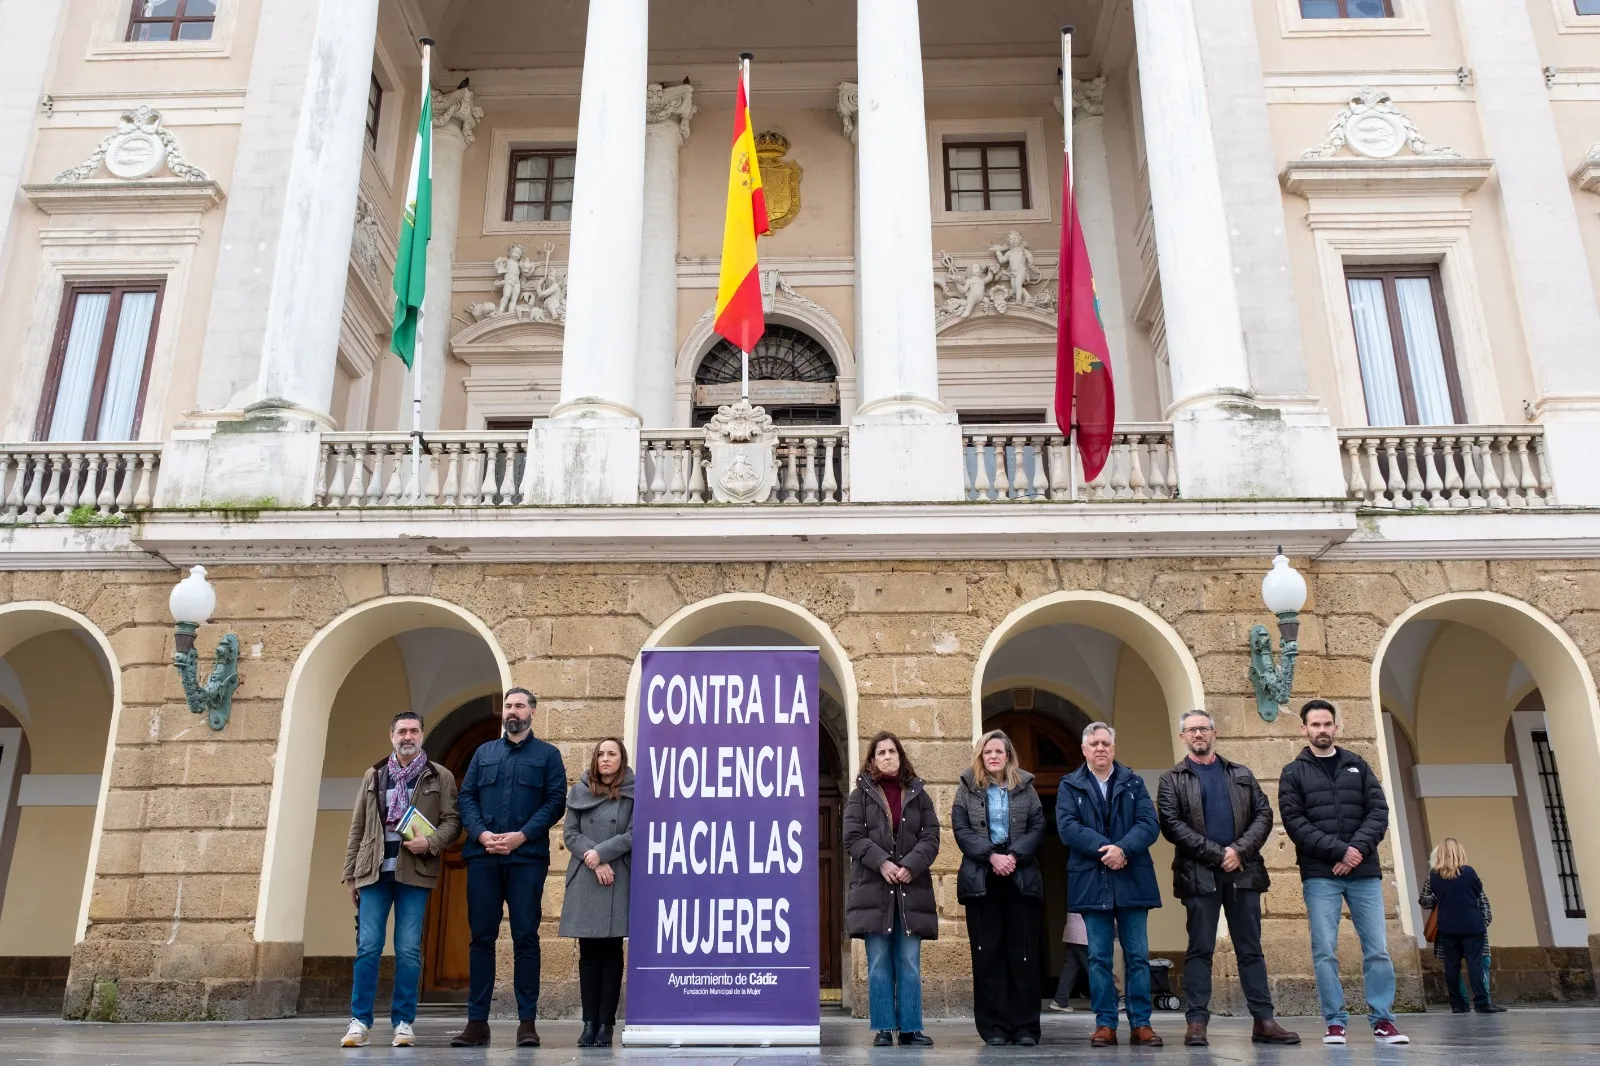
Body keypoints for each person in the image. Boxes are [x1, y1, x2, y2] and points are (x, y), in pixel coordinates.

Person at [1156, 710, 1300, 1047]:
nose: (1198, 735)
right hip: (1199, 875)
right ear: (1183, 737)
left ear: (1214, 733)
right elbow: (1171, 824)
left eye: (1203, 729)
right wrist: (1215, 853)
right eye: (1191, 730)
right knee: (1199, 949)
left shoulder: (1241, 774)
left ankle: (1264, 1020)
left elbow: (1263, 814)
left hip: (1243, 872)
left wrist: (1238, 850)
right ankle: (1196, 1023)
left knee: (1250, 949)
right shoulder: (1172, 779)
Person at [1278, 698, 1409, 1046]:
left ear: (1337, 727)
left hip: (1364, 873)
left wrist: (1356, 852)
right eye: (1315, 724)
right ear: (1303, 729)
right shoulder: (1293, 773)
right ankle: (1334, 1021)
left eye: (1327, 723)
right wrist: (1340, 851)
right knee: (1324, 950)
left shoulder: (1358, 765)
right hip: (1321, 875)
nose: (1322, 729)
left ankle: (1383, 1020)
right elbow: (1295, 823)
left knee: (1377, 949)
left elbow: (1378, 812)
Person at [451, 688, 568, 1048]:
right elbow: (466, 797)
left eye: (519, 705)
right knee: (481, 939)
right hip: (484, 858)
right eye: (508, 705)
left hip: (526, 860)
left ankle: (527, 1023)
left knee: (526, 939)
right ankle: (477, 1023)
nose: (512, 711)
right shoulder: (483, 753)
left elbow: (555, 802)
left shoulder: (548, 755)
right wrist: (482, 834)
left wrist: (522, 835)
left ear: (533, 711)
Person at [340, 711, 460, 1048]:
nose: (408, 736)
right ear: (391, 736)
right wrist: (350, 875)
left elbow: (453, 821)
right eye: (401, 731)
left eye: (414, 730)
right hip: (373, 872)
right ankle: (359, 1021)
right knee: (368, 947)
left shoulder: (440, 776)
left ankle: (403, 1022)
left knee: (408, 950)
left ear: (422, 735)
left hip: (415, 873)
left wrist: (431, 842)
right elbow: (358, 827)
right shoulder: (374, 775)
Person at [1056, 722, 1163, 1049]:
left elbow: (1149, 823)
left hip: (1132, 879)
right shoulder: (1069, 785)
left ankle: (1141, 1024)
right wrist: (1109, 849)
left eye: (1106, 743)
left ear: (1113, 748)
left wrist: (1124, 849)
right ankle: (1105, 1024)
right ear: (1084, 750)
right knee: (1098, 958)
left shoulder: (1133, 782)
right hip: (1091, 881)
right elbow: (1067, 828)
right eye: (1094, 743)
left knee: (1137, 956)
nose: (1100, 748)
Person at [842, 731, 941, 1047]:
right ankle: (883, 1027)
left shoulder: (918, 794)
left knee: (909, 960)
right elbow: (853, 837)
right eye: (880, 752)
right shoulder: (860, 795)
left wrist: (911, 865)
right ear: (872, 760)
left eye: (892, 751)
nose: (887, 756)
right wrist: (883, 862)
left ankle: (911, 1028)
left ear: (901, 756)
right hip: (874, 889)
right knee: (879, 960)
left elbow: (931, 837)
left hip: (911, 890)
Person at [952, 730, 1045, 1047]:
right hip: (982, 878)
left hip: (1020, 877)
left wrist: (1013, 856)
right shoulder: (967, 787)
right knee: (987, 954)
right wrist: (991, 856)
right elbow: (961, 830)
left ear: (1008, 756)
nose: (993, 756)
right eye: (987, 752)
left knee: (1023, 954)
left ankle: (1025, 1028)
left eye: (999, 751)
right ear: (980, 756)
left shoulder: (1026, 786)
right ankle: (994, 1027)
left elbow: (1037, 826)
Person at [559, 738, 635, 1047]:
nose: (605, 759)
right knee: (588, 953)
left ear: (621, 759)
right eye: (601, 754)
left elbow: (634, 832)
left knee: (612, 952)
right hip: (587, 876)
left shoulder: (633, 792)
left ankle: (606, 1025)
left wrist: (602, 854)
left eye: (611, 754)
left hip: (617, 875)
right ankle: (588, 1023)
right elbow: (570, 833)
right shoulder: (579, 791)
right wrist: (594, 858)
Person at [1419, 838, 1507, 1015]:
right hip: (1472, 926)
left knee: (1452, 966)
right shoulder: (1469, 873)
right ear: (1460, 853)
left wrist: (1441, 896)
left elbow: (1424, 901)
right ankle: (1482, 1002)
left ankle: (1458, 1004)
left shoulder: (1434, 877)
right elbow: (1477, 892)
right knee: (1475, 964)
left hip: (1447, 927)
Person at [1047, 911, 1090, 1012]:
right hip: (1084, 933)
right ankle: (1113, 998)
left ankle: (1060, 1000)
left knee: (1070, 968)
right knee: (1095, 966)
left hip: (1071, 932)